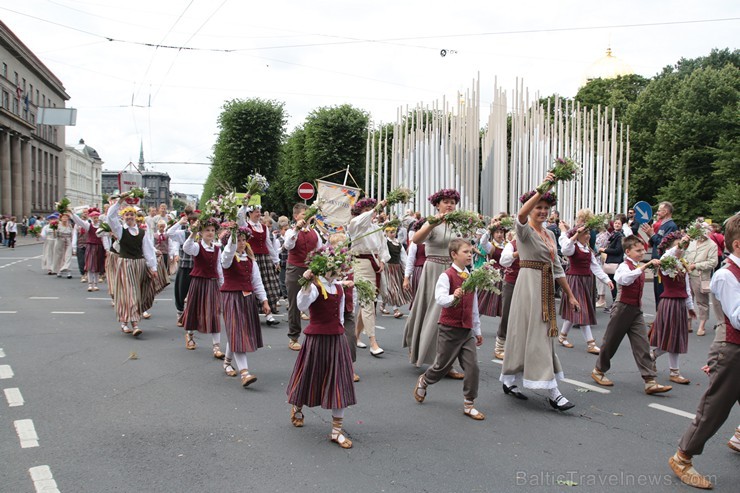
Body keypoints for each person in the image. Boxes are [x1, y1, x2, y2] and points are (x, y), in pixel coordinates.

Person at [668, 213, 740, 490]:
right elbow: (736, 317)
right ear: (736, 245)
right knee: (714, 409)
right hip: (731, 349)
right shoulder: (725, 275)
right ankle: (682, 457)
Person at [499, 177, 580, 410]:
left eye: (547, 208)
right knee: (532, 333)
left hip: (544, 285)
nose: (543, 211)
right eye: (539, 207)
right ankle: (553, 391)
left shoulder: (551, 235)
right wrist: (544, 188)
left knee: (534, 333)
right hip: (528, 284)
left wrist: (570, 295)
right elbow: (521, 214)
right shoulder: (523, 231)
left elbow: (557, 269)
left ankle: (510, 379)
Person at [287, 245, 357, 449]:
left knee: (340, 382)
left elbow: (341, 315)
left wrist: (341, 333)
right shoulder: (316, 286)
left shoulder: (338, 287)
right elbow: (301, 305)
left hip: (336, 338)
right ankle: (298, 406)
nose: (340, 270)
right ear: (325, 267)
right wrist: (307, 283)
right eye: (337, 267)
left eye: (341, 267)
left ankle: (336, 430)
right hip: (317, 339)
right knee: (309, 376)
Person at [413, 239, 485, 420]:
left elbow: (474, 307)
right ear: (454, 254)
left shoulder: (471, 276)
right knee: (441, 366)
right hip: (449, 328)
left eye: (471, 252)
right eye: (466, 252)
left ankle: (469, 403)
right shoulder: (447, 275)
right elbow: (440, 299)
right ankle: (425, 379)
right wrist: (454, 296)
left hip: (466, 329)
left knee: (472, 367)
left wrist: (477, 330)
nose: (470, 255)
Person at [590, 235, 673, 394]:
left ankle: (650, 381)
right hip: (622, 308)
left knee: (642, 344)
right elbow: (623, 279)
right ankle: (598, 370)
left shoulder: (636, 265)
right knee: (611, 342)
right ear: (628, 251)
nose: (642, 253)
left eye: (643, 250)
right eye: (638, 250)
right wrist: (642, 267)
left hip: (635, 310)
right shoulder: (624, 266)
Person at [403, 189, 464, 379]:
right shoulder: (431, 221)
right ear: (437, 204)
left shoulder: (458, 225)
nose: (450, 205)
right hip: (434, 271)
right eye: (446, 201)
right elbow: (416, 240)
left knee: (450, 315)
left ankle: (447, 362)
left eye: (453, 202)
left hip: (453, 271)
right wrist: (430, 225)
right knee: (433, 313)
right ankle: (432, 357)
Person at [219, 227, 270, 387]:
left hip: (247, 299)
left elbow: (257, 281)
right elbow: (228, 253)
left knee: (236, 333)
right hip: (231, 297)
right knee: (238, 333)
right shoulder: (227, 257)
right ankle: (245, 373)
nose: (241, 243)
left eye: (242, 240)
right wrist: (232, 236)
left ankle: (227, 362)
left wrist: (264, 300)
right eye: (237, 240)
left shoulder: (250, 260)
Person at [107, 196, 160, 336]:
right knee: (130, 294)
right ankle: (135, 324)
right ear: (123, 217)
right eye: (127, 215)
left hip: (139, 265)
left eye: (131, 215)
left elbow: (148, 251)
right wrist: (119, 202)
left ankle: (125, 322)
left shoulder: (142, 233)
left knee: (136, 293)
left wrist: (153, 268)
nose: (129, 217)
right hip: (125, 265)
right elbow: (110, 218)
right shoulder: (120, 230)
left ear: (136, 217)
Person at [557, 224, 613, 354]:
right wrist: (574, 235)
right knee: (581, 311)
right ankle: (590, 343)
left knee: (576, 311)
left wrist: (607, 280)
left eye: (588, 233)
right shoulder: (573, 247)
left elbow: (595, 267)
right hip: (574, 280)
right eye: (585, 234)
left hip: (586, 281)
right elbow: (565, 249)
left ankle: (562, 336)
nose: (588, 236)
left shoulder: (587, 249)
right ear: (578, 235)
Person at [650, 232, 697, 385]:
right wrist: (679, 245)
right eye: (678, 245)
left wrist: (690, 307)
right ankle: (666, 365)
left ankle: (663, 362)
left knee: (676, 337)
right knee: (671, 337)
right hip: (669, 303)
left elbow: (687, 288)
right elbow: (666, 256)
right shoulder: (665, 260)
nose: (681, 248)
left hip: (680, 303)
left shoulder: (682, 263)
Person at [348, 197, 390, 356]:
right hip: (361, 264)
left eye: (371, 210)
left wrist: (383, 262)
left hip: (375, 265)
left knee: (369, 302)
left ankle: (356, 336)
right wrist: (375, 210)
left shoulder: (377, 228)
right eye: (366, 210)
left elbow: (383, 249)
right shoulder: (355, 226)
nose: (370, 213)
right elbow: (361, 220)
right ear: (360, 212)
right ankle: (373, 341)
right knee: (367, 302)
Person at [182, 217, 224, 355]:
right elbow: (186, 247)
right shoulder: (197, 246)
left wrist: (222, 285)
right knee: (194, 310)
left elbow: (219, 268)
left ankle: (216, 346)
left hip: (212, 283)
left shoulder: (217, 249)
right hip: (199, 282)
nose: (210, 233)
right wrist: (193, 232)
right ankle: (190, 335)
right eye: (207, 230)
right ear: (201, 232)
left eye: (212, 230)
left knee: (214, 313)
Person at [284, 203, 322, 351]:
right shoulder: (290, 232)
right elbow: (288, 245)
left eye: (308, 215)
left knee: (317, 300)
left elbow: (319, 249)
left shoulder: (315, 232)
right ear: (296, 216)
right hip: (295, 269)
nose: (306, 218)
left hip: (312, 269)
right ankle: (294, 337)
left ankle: (317, 334)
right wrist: (296, 229)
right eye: (303, 215)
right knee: (294, 304)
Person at [238, 201, 281, 326]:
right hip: (252, 257)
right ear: (249, 213)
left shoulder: (263, 227)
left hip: (265, 259)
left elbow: (269, 244)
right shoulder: (246, 225)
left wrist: (275, 260)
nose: (259, 214)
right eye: (256, 212)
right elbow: (239, 216)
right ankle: (252, 314)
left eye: (259, 212)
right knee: (253, 285)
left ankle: (269, 315)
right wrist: (245, 204)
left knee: (270, 286)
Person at [329, 232, 361, 383]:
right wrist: (342, 283)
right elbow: (326, 283)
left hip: (347, 307)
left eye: (344, 247)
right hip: (331, 308)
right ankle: (331, 368)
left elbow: (353, 287)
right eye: (337, 247)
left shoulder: (350, 264)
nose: (342, 251)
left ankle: (349, 367)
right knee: (331, 339)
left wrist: (353, 304)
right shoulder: (328, 264)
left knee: (350, 336)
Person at [641, 201, 678, 308]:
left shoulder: (671, 226)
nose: (657, 213)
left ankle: (661, 318)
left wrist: (652, 234)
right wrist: (650, 234)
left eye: (659, 210)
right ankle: (658, 318)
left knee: (661, 291)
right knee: (657, 291)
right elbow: (654, 242)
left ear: (666, 211)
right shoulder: (662, 225)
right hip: (657, 262)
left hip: (663, 263)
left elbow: (664, 243)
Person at [684, 225, 718, 336]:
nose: (699, 235)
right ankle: (688, 324)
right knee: (688, 299)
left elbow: (713, 262)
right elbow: (685, 254)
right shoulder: (692, 242)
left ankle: (701, 326)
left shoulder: (712, 245)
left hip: (700, 276)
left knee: (702, 302)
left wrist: (697, 265)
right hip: (687, 274)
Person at [168, 209, 199, 327]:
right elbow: (169, 233)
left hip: (197, 268)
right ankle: (180, 313)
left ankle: (193, 315)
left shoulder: (201, 234)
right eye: (194, 222)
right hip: (185, 267)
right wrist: (179, 223)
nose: (197, 224)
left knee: (196, 293)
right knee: (181, 292)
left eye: (198, 221)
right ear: (190, 222)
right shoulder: (183, 233)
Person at [495, 229, 521, 361]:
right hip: (512, 282)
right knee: (507, 313)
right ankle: (500, 346)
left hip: (529, 284)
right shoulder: (512, 244)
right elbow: (503, 260)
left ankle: (519, 348)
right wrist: (517, 253)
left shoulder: (537, 242)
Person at [70, 208, 106, 292]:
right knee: (90, 266)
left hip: (99, 247)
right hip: (90, 246)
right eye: (94, 217)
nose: (95, 219)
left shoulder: (102, 227)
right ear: (91, 218)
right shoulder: (88, 225)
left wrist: (106, 249)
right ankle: (90, 284)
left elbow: (104, 238)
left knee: (97, 266)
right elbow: (79, 221)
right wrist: (72, 213)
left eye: (97, 217)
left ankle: (96, 284)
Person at [380, 226, 410, 318]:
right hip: (388, 268)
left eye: (394, 232)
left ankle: (382, 305)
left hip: (397, 268)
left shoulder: (398, 243)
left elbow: (403, 257)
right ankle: (395, 310)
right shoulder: (385, 242)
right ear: (387, 233)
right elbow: (382, 253)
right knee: (392, 289)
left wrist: (406, 270)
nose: (393, 234)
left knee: (394, 288)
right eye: (391, 232)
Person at [599, 214, 630, 304]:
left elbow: (618, 250)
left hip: (616, 261)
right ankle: (615, 301)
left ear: (621, 225)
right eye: (615, 223)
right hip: (612, 260)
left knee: (615, 282)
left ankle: (616, 301)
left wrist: (605, 250)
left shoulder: (620, 236)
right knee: (612, 282)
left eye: (618, 224)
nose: (616, 225)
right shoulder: (614, 234)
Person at [403, 218, 427, 310]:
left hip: (434, 270)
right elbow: (410, 260)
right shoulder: (415, 243)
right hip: (420, 270)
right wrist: (406, 278)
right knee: (419, 297)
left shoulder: (435, 242)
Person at [52, 211, 75, 279]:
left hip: (68, 242)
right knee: (59, 256)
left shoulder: (70, 225)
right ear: (61, 218)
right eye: (63, 217)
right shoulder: (58, 225)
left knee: (68, 256)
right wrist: (54, 230)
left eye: (66, 217)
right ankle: (59, 271)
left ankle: (68, 271)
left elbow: (72, 235)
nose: (65, 218)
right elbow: (55, 236)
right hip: (60, 241)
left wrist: (73, 246)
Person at [73, 208, 89, 282]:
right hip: (80, 244)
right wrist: (74, 247)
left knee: (89, 260)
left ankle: (88, 274)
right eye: (84, 212)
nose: (85, 214)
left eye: (87, 212)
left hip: (89, 244)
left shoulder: (90, 223)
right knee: (81, 260)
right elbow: (74, 235)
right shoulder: (77, 224)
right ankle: (83, 274)